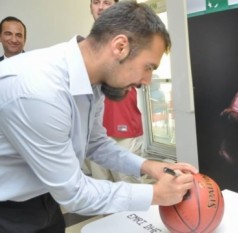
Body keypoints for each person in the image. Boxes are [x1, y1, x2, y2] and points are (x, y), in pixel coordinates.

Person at [0, 2, 197, 233]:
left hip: (45, 199)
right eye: (148, 67)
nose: (146, 81)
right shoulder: (39, 91)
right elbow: (74, 194)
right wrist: (155, 194)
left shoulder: (93, 81)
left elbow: (96, 143)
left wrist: (149, 166)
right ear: (120, 46)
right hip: (8, 213)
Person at [87, 0, 148, 184]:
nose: (101, 7)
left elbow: (142, 77)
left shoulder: (133, 38)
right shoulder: (88, 43)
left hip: (124, 133)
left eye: (107, 2)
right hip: (94, 133)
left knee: (130, 194)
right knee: (101, 194)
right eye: (96, 2)